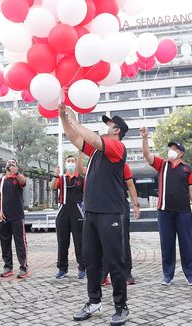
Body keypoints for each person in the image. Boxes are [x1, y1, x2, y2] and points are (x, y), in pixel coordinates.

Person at [59, 104, 130, 326]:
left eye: (109, 124)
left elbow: (90, 138)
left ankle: (121, 306)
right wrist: (64, 118)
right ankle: (94, 301)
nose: (106, 126)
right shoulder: (99, 150)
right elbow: (74, 138)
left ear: (116, 129)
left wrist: (75, 120)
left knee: (114, 261)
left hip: (110, 212)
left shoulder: (117, 147)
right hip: (91, 212)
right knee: (91, 260)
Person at [140, 127, 192, 286]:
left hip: (183, 212)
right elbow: (147, 155)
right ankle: (168, 275)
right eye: (170, 148)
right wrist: (145, 138)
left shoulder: (187, 168)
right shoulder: (162, 164)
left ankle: (190, 275)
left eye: (175, 149)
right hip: (164, 212)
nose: (171, 151)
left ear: (181, 153)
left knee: (186, 244)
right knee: (166, 244)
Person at [76, 152, 140, 286]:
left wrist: (136, 204)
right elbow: (80, 170)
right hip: (100, 206)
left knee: (122, 240)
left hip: (118, 205)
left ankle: (126, 273)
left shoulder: (120, 163)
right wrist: (80, 152)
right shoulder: (94, 165)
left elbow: (130, 184)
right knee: (101, 241)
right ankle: (103, 276)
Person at [50, 155, 86, 280]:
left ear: (75, 164)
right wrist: (55, 175)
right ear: (65, 164)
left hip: (77, 210)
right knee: (62, 242)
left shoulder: (81, 179)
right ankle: (62, 269)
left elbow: (86, 194)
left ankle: (82, 268)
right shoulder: (61, 178)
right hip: (63, 211)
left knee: (79, 241)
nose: (70, 163)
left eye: (72, 161)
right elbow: (53, 187)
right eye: (68, 161)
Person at [0, 159, 28, 279]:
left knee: (20, 243)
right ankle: (8, 267)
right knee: (5, 242)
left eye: (13, 163)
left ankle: (23, 267)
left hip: (17, 216)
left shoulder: (18, 179)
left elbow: (23, 181)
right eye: (9, 163)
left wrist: (16, 173)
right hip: (4, 217)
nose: (11, 165)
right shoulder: (0, 181)